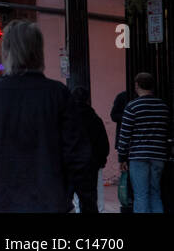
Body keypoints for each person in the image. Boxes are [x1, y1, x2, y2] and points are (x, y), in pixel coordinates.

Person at [0, 20, 91, 212]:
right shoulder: (58, 95)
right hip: (51, 201)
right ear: (38, 52)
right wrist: (87, 204)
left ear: (7, 53)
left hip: (1, 201)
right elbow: (78, 157)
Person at [117, 72, 172, 213]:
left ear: (136, 85)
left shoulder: (132, 107)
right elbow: (167, 131)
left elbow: (124, 135)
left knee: (141, 195)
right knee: (155, 193)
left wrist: (122, 157)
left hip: (138, 156)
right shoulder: (163, 107)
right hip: (158, 155)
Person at [70, 86, 110, 214]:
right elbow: (104, 144)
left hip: (73, 163)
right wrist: (101, 160)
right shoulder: (95, 119)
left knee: (76, 200)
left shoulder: (69, 119)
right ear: (87, 100)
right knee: (94, 199)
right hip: (93, 164)